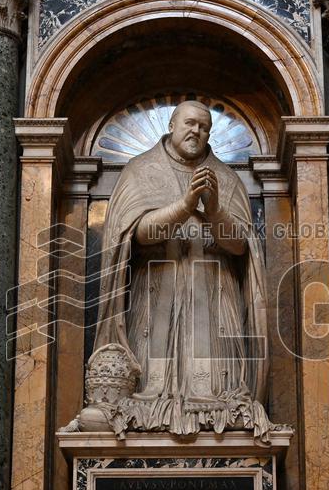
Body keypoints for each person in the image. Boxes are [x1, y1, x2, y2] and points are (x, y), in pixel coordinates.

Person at [73, 101, 275, 439]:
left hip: (213, 299)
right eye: (190, 123)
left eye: (205, 126)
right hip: (155, 296)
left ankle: (214, 406)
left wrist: (212, 210)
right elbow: (134, 234)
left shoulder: (224, 178)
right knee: (148, 385)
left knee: (213, 393)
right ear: (171, 124)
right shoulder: (141, 170)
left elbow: (241, 245)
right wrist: (184, 206)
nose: (197, 131)